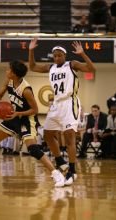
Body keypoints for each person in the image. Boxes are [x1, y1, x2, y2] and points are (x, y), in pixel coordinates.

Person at [0, 60, 65, 187]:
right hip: (13, 117)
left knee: (33, 149)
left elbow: (35, 110)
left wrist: (18, 114)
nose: (6, 71)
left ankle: (56, 174)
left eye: (8, 69)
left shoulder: (25, 90)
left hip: (27, 119)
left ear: (14, 74)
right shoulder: (8, 81)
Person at [29, 38, 96, 185]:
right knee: (47, 134)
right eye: (55, 55)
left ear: (65, 56)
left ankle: (72, 171)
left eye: (60, 55)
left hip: (69, 103)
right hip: (56, 104)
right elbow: (32, 67)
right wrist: (31, 50)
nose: (57, 57)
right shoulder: (50, 67)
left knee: (69, 138)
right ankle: (60, 160)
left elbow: (91, 69)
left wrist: (82, 54)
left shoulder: (72, 64)